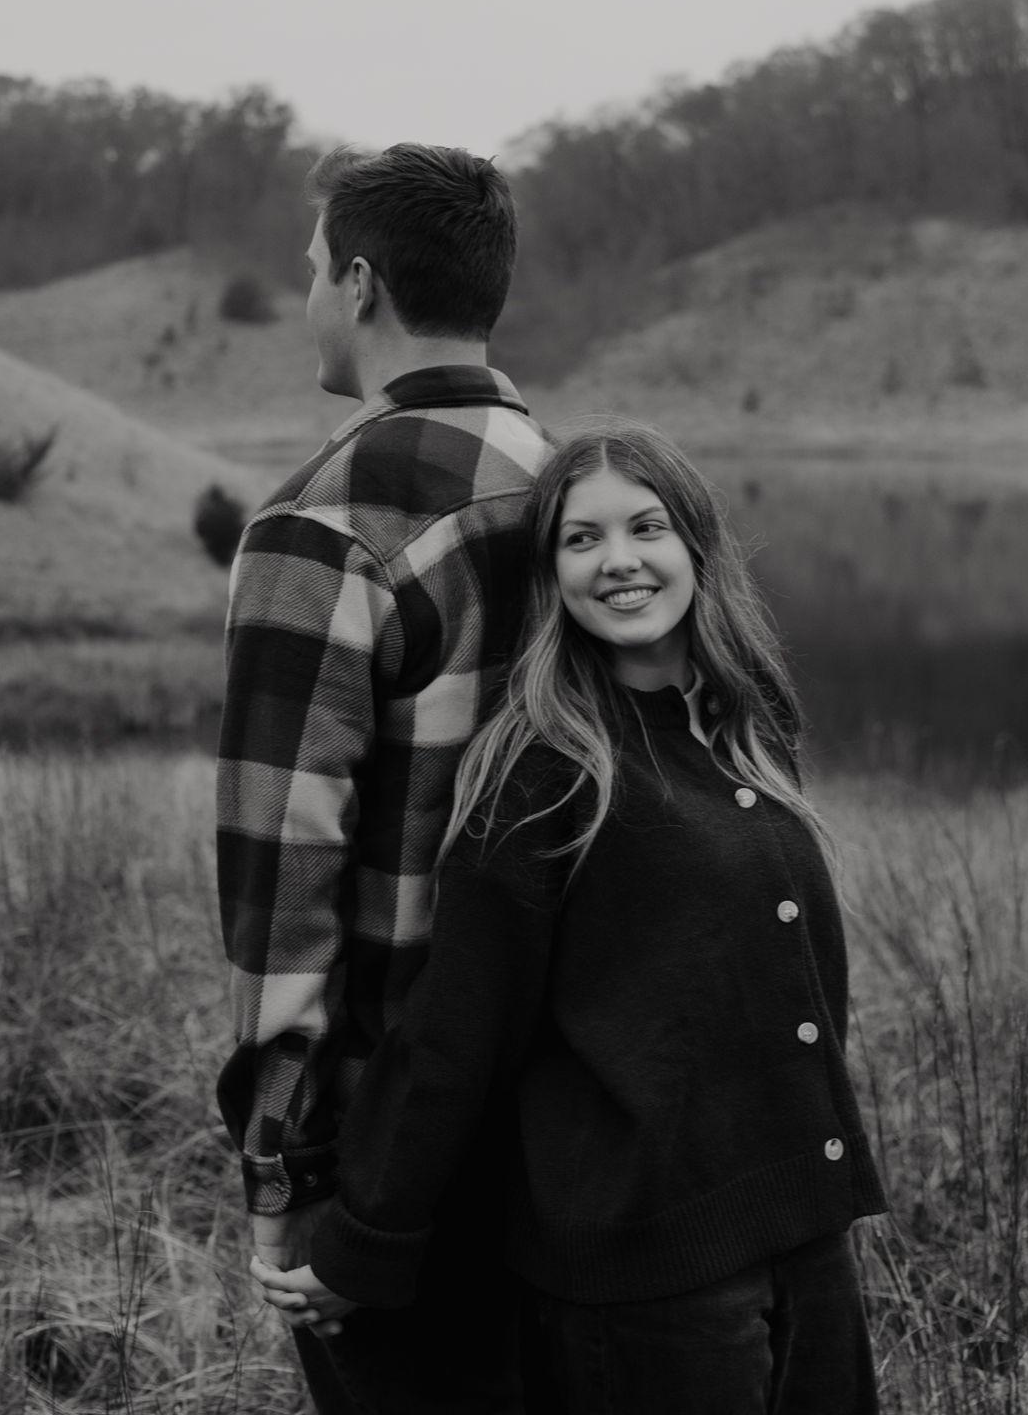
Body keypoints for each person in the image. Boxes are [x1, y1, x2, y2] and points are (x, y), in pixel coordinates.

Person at [254, 419, 889, 1414]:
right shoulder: (543, 774)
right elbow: (458, 1033)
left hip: (804, 1238)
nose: (618, 560)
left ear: (696, 544)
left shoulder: (746, 724)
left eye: (645, 526)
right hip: (651, 1283)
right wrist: (363, 1240)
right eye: (581, 539)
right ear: (551, 577)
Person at [215, 142, 550, 1413]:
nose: (309, 297)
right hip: (578, 1095)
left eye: (314, 270)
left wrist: (282, 1166)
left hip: (394, 1128)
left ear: (359, 284)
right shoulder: (580, 490)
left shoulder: (323, 521)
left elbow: (281, 869)